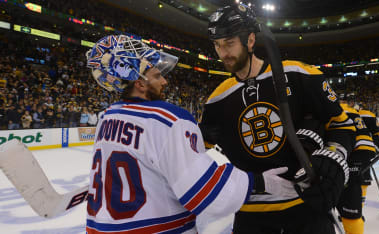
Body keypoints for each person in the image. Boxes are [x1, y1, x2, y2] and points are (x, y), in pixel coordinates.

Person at [85, 35, 297, 234]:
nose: (164, 82)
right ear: (139, 83)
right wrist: (258, 182)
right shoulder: (168, 119)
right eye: (158, 76)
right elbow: (205, 193)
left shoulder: (106, 117)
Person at [200, 3, 355, 233]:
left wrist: (334, 155)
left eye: (229, 43)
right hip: (251, 215)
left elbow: (341, 125)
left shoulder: (298, 75)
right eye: (217, 45)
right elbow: (194, 155)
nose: (223, 53)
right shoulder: (216, 100)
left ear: (250, 40)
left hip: (306, 206)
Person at [337, 100, 377, 234]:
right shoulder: (354, 111)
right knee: (357, 181)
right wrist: (375, 149)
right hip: (365, 148)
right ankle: (355, 211)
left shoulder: (335, 109)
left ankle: (352, 211)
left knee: (351, 183)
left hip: (355, 150)